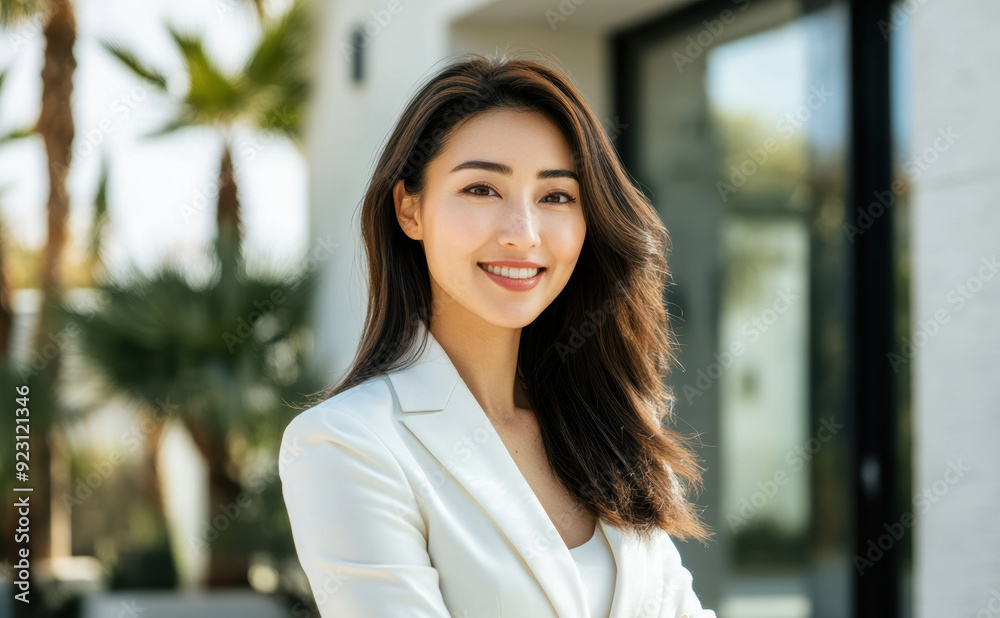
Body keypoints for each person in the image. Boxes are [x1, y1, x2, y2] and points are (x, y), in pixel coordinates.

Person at [278, 51, 716, 618]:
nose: (523, 234)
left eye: (556, 196)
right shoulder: (347, 444)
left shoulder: (610, 426)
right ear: (410, 209)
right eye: (482, 189)